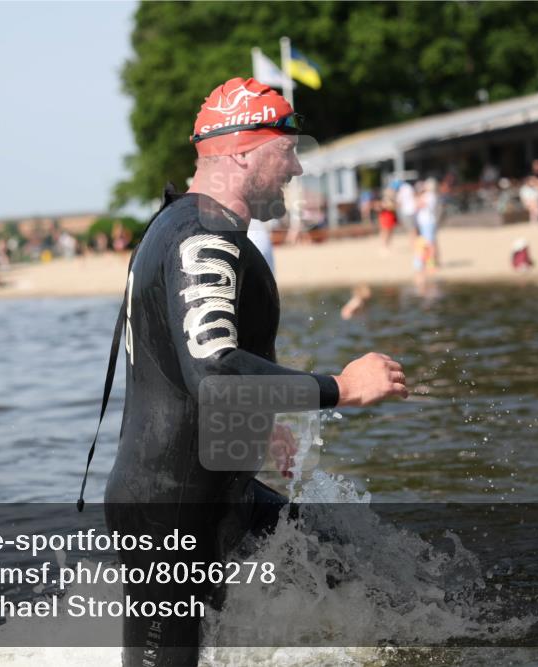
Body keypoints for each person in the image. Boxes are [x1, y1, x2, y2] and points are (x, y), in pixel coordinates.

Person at [92, 77, 409, 667]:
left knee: (353, 576)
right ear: (241, 151)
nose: (296, 168)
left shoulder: (190, 227)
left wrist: (251, 430)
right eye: (287, 149)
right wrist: (343, 388)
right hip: (172, 515)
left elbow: (179, 359)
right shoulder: (200, 237)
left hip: (213, 495)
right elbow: (212, 371)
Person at [377, 186, 397, 252]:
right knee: (385, 231)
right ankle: (383, 245)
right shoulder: (385, 199)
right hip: (385, 216)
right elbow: (383, 207)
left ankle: (388, 244)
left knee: (390, 231)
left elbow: (393, 207)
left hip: (390, 216)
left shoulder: (392, 200)